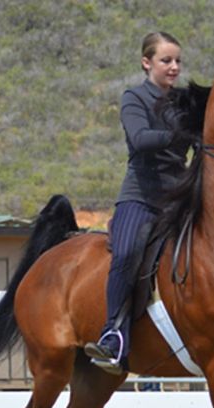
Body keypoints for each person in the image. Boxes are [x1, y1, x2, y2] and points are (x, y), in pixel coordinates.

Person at [84, 31, 191, 375]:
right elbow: (141, 139)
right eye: (166, 60)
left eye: (177, 61)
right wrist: (182, 133)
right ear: (147, 63)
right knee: (128, 253)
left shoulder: (183, 102)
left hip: (179, 195)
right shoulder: (134, 98)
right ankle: (113, 333)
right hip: (141, 197)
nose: (174, 67)